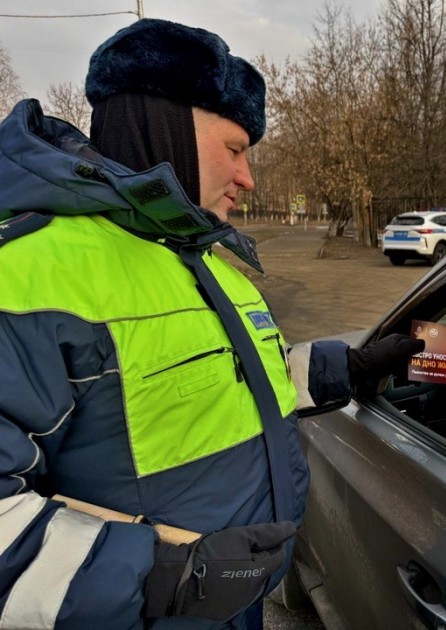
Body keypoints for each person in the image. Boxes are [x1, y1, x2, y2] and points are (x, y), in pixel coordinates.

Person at [0, 18, 421, 629]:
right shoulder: (27, 274)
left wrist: (346, 368)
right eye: (234, 148)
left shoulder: (205, 263)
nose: (248, 177)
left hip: (229, 610)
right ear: (162, 126)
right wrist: (164, 580)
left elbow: (231, 387)